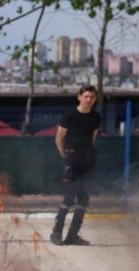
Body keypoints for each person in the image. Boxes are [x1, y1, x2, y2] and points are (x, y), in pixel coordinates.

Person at [50, 85, 101, 246]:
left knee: (84, 198)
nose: (89, 99)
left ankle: (73, 235)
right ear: (79, 97)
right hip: (72, 158)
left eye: (92, 97)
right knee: (69, 196)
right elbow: (59, 139)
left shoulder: (96, 117)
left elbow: (92, 138)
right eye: (86, 96)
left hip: (88, 159)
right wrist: (66, 156)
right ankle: (56, 232)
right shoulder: (69, 116)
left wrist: (88, 154)